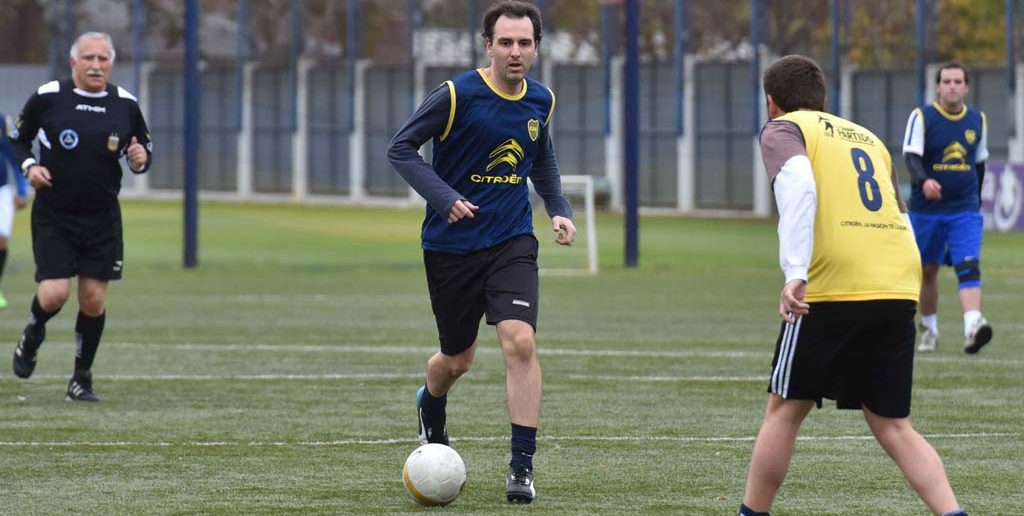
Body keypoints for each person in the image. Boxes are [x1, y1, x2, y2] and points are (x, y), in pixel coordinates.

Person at [739, 55, 967, 516]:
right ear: (823, 99)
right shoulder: (867, 138)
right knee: (893, 423)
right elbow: (900, 213)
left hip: (835, 284)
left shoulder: (784, 129)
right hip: (897, 280)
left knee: (784, 410)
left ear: (771, 102)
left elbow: (799, 186)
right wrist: (904, 279)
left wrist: (796, 271)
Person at [387, 0, 575, 504]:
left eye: (525, 43)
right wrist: (444, 198)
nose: (516, 52)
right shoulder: (456, 94)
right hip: (451, 247)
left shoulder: (541, 100)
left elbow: (542, 159)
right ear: (488, 45)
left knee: (520, 342)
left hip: (512, 240)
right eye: (506, 42)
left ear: (536, 48)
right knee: (456, 360)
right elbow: (401, 148)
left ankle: (521, 467)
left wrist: (558, 208)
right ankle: (431, 404)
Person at [9, 31, 152, 402]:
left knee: (93, 300)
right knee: (55, 293)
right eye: (89, 58)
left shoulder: (125, 104)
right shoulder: (48, 97)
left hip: (102, 217)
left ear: (111, 64)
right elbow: (17, 138)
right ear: (74, 62)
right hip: (55, 214)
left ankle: (80, 379)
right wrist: (29, 167)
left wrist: (140, 160)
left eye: (103, 59)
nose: (96, 65)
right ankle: (33, 333)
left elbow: (142, 150)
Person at [902, 62, 992, 354]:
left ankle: (973, 326)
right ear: (938, 87)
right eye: (947, 81)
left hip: (964, 209)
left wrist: (975, 199)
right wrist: (925, 181)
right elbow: (911, 157)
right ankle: (929, 328)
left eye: (958, 81)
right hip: (926, 211)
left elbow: (979, 164)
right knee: (927, 271)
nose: (952, 86)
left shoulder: (978, 119)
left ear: (966, 87)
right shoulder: (922, 117)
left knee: (968, 265)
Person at [0, 114, 31, 309]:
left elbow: (12, 157)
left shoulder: (2, 122)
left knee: (2, 240)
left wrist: (22, 190)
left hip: (2, 189)